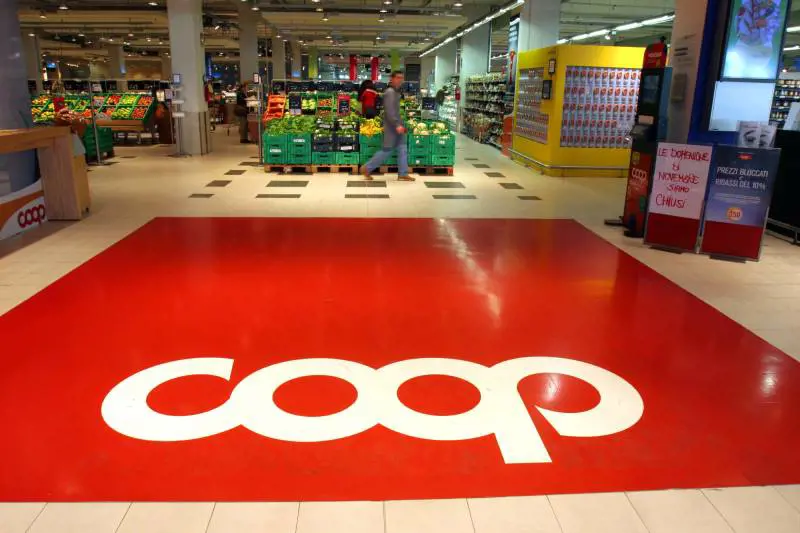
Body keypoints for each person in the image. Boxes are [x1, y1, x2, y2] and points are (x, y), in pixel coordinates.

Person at [361, 71, 414, 182]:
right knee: (387, 150)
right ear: (392, 78)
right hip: (391, 127)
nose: (400, 80)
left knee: (402, 149)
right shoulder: (390, 92)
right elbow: (389, 111)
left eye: (401, 78)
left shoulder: (395, 91)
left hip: (397, 125)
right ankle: (367, 168)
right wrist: (397, 125)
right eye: (398, 77)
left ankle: (403, 173)